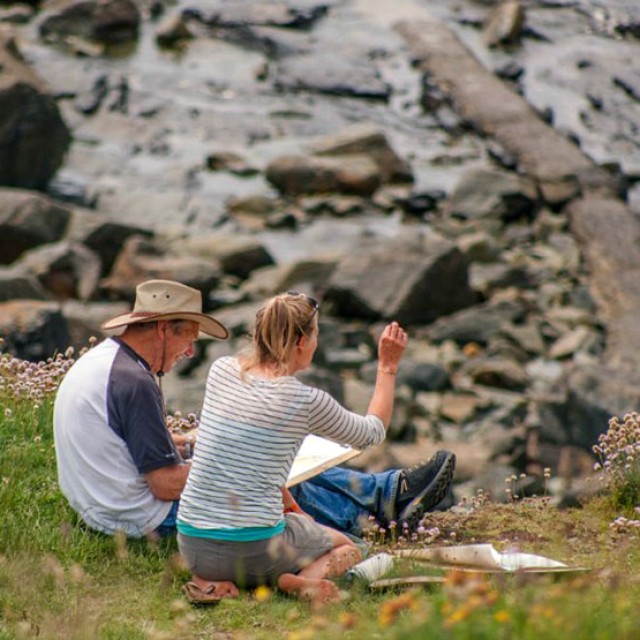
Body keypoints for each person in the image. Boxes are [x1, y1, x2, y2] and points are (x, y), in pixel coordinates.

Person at [53, 280, 454, 602]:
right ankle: (378, 506)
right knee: (264, 471)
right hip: (135, 514)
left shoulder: (111, 363)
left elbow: (127, 439)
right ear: (160, 328)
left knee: (257, 454)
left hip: (107, 503)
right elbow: (163, 483)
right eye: (187, 338)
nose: (192, 351)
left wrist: (202, 444)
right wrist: (387, 366)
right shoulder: (135, 384)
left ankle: (382, 494)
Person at [176, 292, 422, 607]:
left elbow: (245, 454)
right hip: (255, 547)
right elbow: (372, 432)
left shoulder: (221, 371)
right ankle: (297, 581)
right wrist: (387, 367)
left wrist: (291, 506)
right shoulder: (305, 401)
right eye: (316, 334)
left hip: (194, 546)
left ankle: (217, 581)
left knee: (290, 525)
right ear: (302, 343)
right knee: (350, 548)